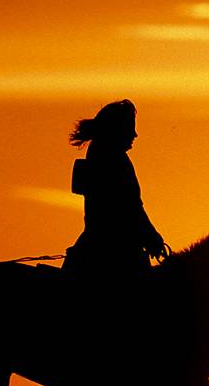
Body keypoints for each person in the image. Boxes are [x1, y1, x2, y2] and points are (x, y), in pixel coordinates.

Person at [63, 99, 167, 279]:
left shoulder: (98, 154)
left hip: (91, 245)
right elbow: (131, 208)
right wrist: (152, 238)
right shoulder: (116, 160)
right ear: (117, 130)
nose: (135, 134)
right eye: (130, 128)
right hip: (118, 254)